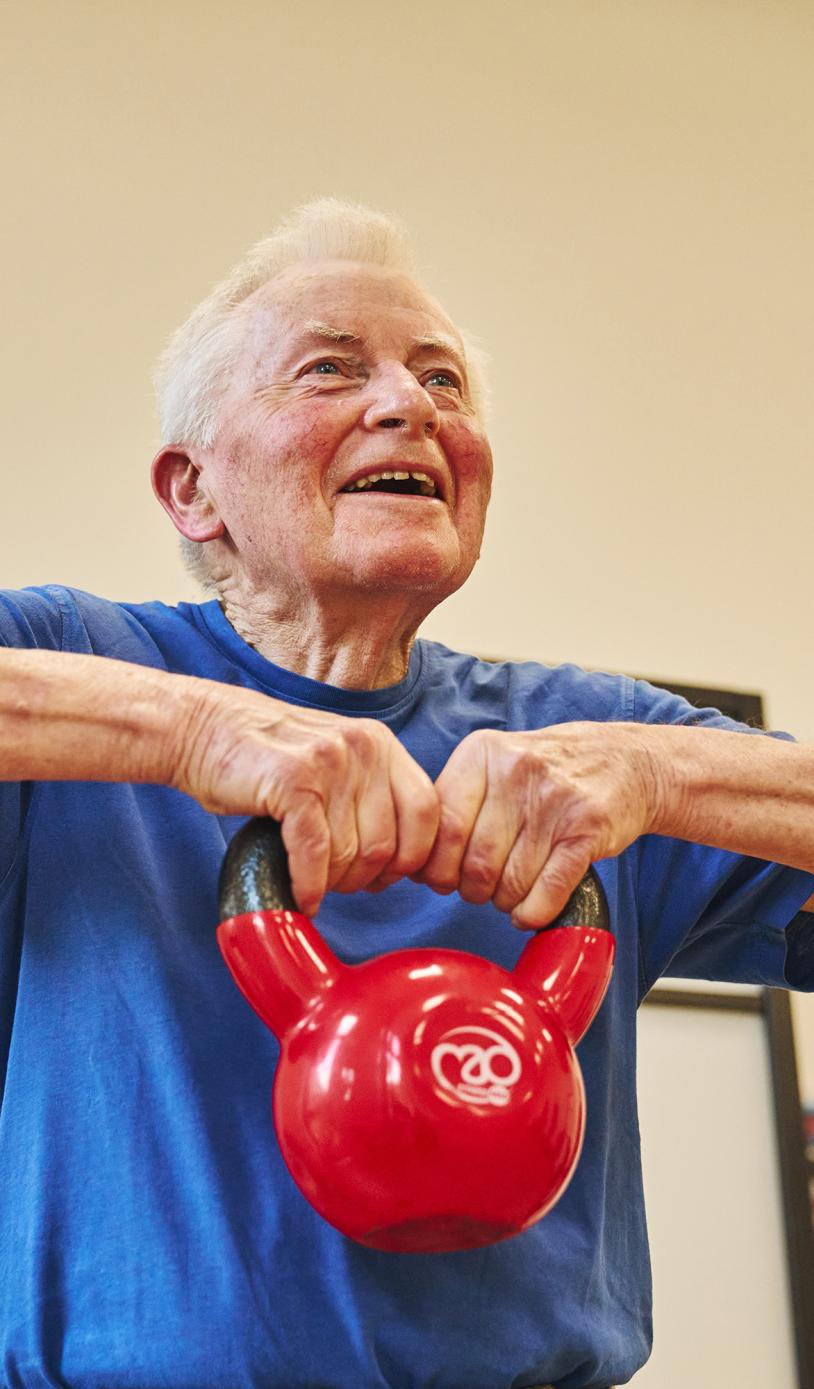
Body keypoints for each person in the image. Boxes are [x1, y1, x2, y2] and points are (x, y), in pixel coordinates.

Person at [1, 198, 812, 1389]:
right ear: (194, 491)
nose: (409, 405)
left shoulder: (586, 738)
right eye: (330, 369)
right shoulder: (73, 661)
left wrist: (656, 772)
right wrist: (194, 730)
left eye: (442, 381)